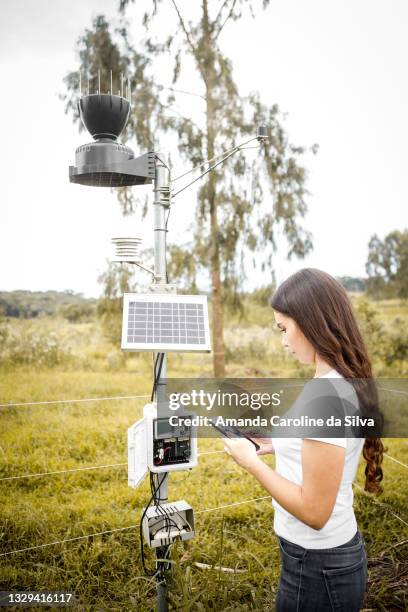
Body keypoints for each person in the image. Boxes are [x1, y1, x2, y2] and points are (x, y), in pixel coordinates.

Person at [223, 268, 384, 612]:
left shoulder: (324, 395)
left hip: (317, 565)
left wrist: (250, 462)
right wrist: (276, 444)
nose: (282, 341)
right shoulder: (336, 382)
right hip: (325, 560)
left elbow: (314, 511)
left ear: (312, 322)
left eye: (284, 328)